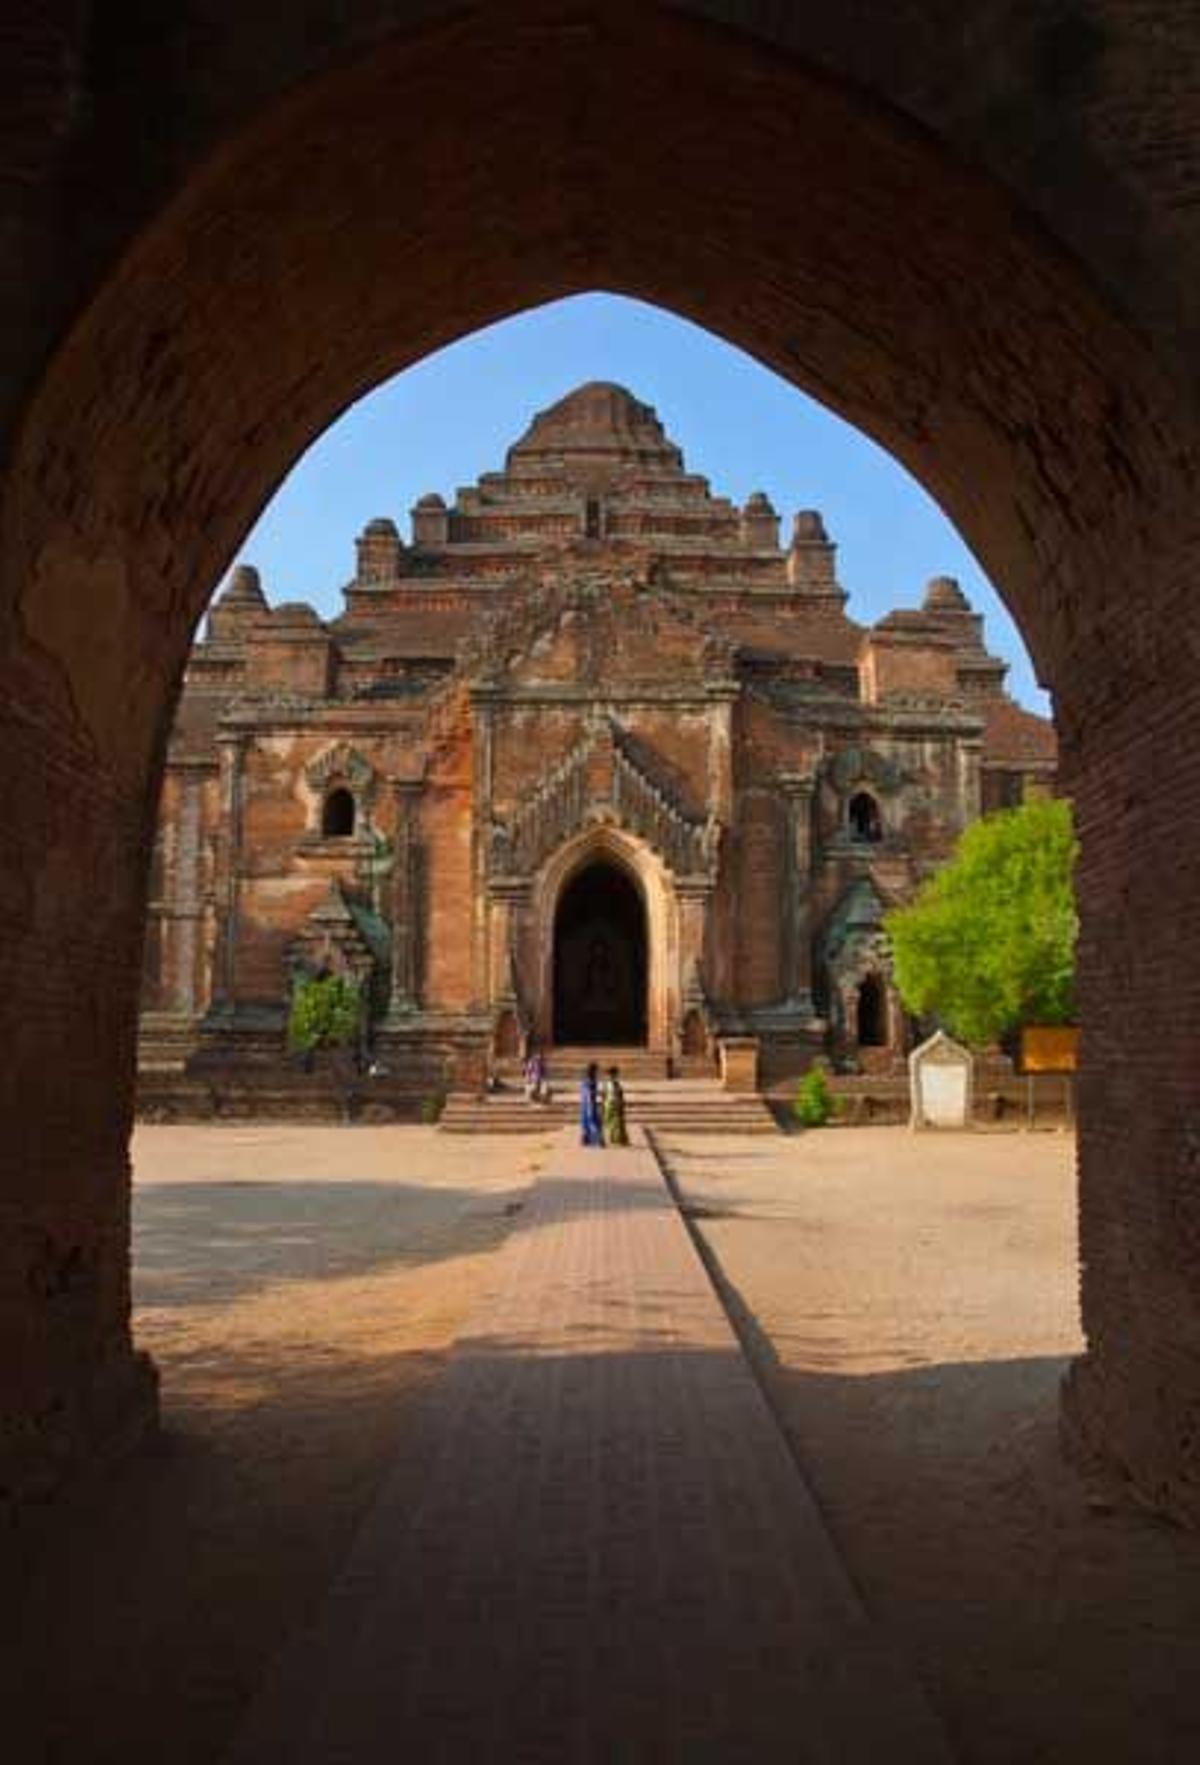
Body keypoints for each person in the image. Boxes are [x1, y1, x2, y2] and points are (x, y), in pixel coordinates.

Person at [602, 1066, 628, 1146]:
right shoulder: (606, 1084)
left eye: (612, 1075)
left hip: (616, 1105)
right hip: (608, 1104)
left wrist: (621, 1104)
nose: (610, 1077)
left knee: (617, 1123)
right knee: (609, 1122)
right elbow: (604, 1094)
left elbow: (620, 1095)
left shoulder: (617, 1084)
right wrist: (603, 1105)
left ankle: (618, 1139)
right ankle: (613, 1138)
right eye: (610, 1075)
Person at [580, 1061, 604, 1147]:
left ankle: (586, 1138)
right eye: (596, 1070)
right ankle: (598, 1139)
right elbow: (591, 1094)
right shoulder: (591, 1082)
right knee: (593, 1122)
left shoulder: (587, 1081)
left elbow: (586, 1094)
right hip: (590, 1104)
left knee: (588, 1122)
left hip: (586, 1104)